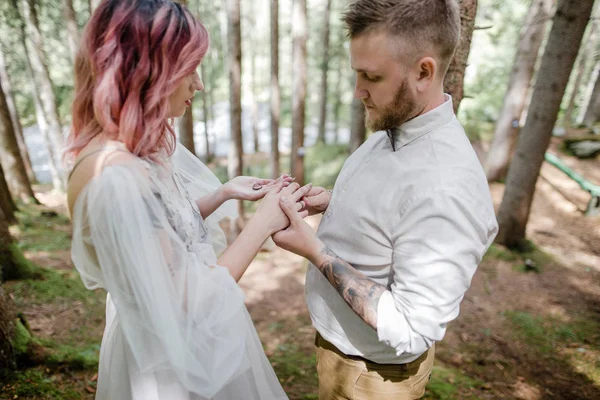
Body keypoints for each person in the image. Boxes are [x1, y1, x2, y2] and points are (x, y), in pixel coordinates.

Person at [65, 1, 309, 398]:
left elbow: (156, 236)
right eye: (189, 70)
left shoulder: (131, 153)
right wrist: (262, 223)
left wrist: (223, 193)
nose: (199, 84)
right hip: (171, 366)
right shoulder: (114, 179)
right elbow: (192, 301)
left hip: (192, 342)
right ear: (149, 71)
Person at [272, 0, 499, 398]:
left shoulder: (446, 188)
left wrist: (316, 251)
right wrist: (332, 200)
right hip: (342, 351)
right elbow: (393, 208)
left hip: (371, 380)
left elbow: (412, 328)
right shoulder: (396, 122)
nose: (358, 91)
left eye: (371, 76)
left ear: (424, 72)